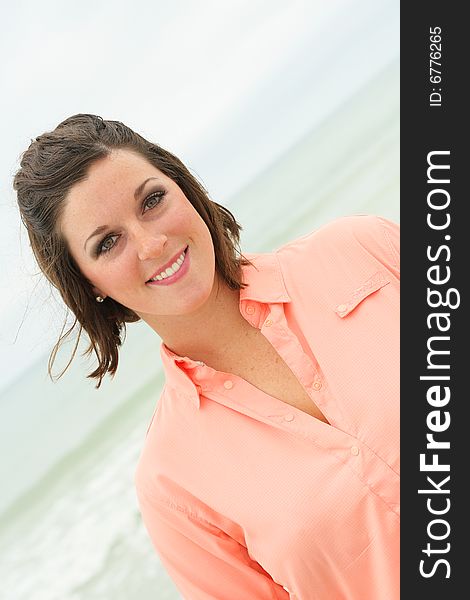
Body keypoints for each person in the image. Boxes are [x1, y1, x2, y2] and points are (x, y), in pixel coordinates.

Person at [14, 114, 400, 599]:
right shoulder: (172, 484)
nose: (152, 244)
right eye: (108, 242)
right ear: (89, 283)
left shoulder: (363, 251)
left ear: (183, 185)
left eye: (152, 201)